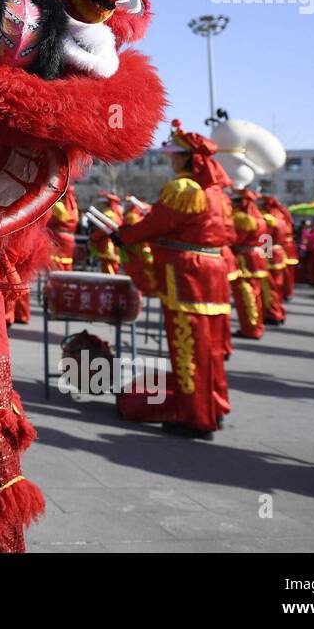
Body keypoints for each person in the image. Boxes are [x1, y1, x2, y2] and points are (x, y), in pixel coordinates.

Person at [114, 121, 236, 438]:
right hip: (214, 274)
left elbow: (155, 224)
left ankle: (195, 417)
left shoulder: (184, 190)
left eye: (174, 155)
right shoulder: (218, 194)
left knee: (187, 346)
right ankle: (214, 407)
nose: (170, 160)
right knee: (209, 348)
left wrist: (124, 235)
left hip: (187, 275)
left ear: (186, 159)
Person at [230, 188, 271, 335]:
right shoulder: (261, 219)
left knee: (246, 295)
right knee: (256, 294)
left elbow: (235, 240)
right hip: (259, 258)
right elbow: (267, 241)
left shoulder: (242, 219)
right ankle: (256, 325)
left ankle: (251, 327)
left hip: (245, 259)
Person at [88, 192, 124, 273]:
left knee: (108, 267)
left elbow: (104, 230)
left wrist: (93, 237)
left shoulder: (109, 214)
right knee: (113, 266)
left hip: (107, 244)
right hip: (113, 243)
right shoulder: (115, 214)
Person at [46, 185, 79, 271]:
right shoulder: (74, 209)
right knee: (67, 263)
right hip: (70, 239)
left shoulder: (58, 206)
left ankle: (57, 283)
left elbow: (47, 220)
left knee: (57, 262)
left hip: (58, 237)